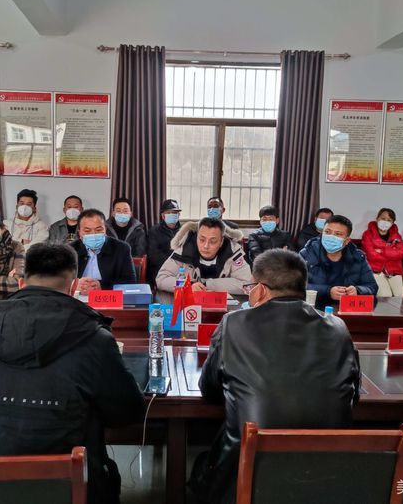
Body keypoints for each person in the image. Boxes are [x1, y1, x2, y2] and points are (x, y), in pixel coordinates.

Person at [0, 244, 145, 504]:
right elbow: (127, 411)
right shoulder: (94, 336)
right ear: (73, 286)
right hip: (64, 488)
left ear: (21, 283)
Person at [190, 249, 360, 504]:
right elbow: (353, 396)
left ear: (260, 290)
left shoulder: (234, 323)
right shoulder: (338, 327)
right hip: (327, 478)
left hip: (250, 476)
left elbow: (210, 391)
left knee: (201, 468)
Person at [156, 218, 251, 295]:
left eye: (213, 241)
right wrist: (188, 286)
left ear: (221, 242)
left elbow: (247, 285)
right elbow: (162, 279)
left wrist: (207, 285)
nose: (206, 246)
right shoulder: (183, 251)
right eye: (202, 240)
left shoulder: (233, 253)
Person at [300, 214, 378, 306]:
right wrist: (328, 291)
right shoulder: (306, 254)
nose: (331, 237)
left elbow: (372, 287)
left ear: (347, 240)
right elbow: (294, 285)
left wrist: (358, 290)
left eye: (338, 234)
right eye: (327, 232)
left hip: (345, 308)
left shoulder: (358, 257)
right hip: (314, 307)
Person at [72, 209, 137, 291]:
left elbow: (130, 281)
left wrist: (102, 286)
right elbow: (59, 279)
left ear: (105, 229)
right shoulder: (70, 250)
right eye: (87, 231)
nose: (93, 234)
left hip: (107, 295)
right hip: (76, 296)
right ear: (79, 233)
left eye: (98, 230)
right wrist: (74, 285)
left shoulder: (122, 248)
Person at [360, 208, 403, 297]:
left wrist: (381, 250)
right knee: (385, 295)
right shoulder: (367, 234)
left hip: (394, 271)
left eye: (389, 220)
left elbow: (401, 253)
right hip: (375, 271)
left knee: (401, 294)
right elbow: (371, 255)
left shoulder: (397, 236)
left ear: (393, 223)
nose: (385, 222)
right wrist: (391, 251)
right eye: (383, 218)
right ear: (377, 219)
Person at [146, 199, 182, 284]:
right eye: (168, 213)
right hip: (160, 270)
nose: (172, 215)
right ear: (163, 215)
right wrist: (172, 265)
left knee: (183, 285)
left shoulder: (185, 231)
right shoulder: (154, 231)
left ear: (178, 215)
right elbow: (154, 255)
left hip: (180, 270)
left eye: (174, 213)